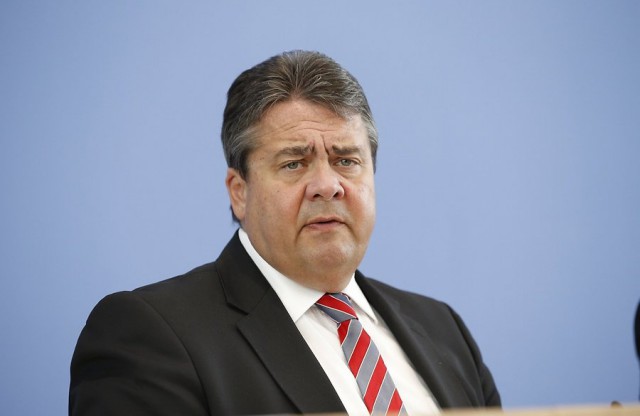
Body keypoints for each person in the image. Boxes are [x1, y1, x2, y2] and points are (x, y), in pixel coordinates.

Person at [69, 50, 501, 415]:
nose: (327, 185)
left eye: (346, 161)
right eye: (294, 163)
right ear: (239, 192)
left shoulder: (444, 330)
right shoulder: (149, 335)